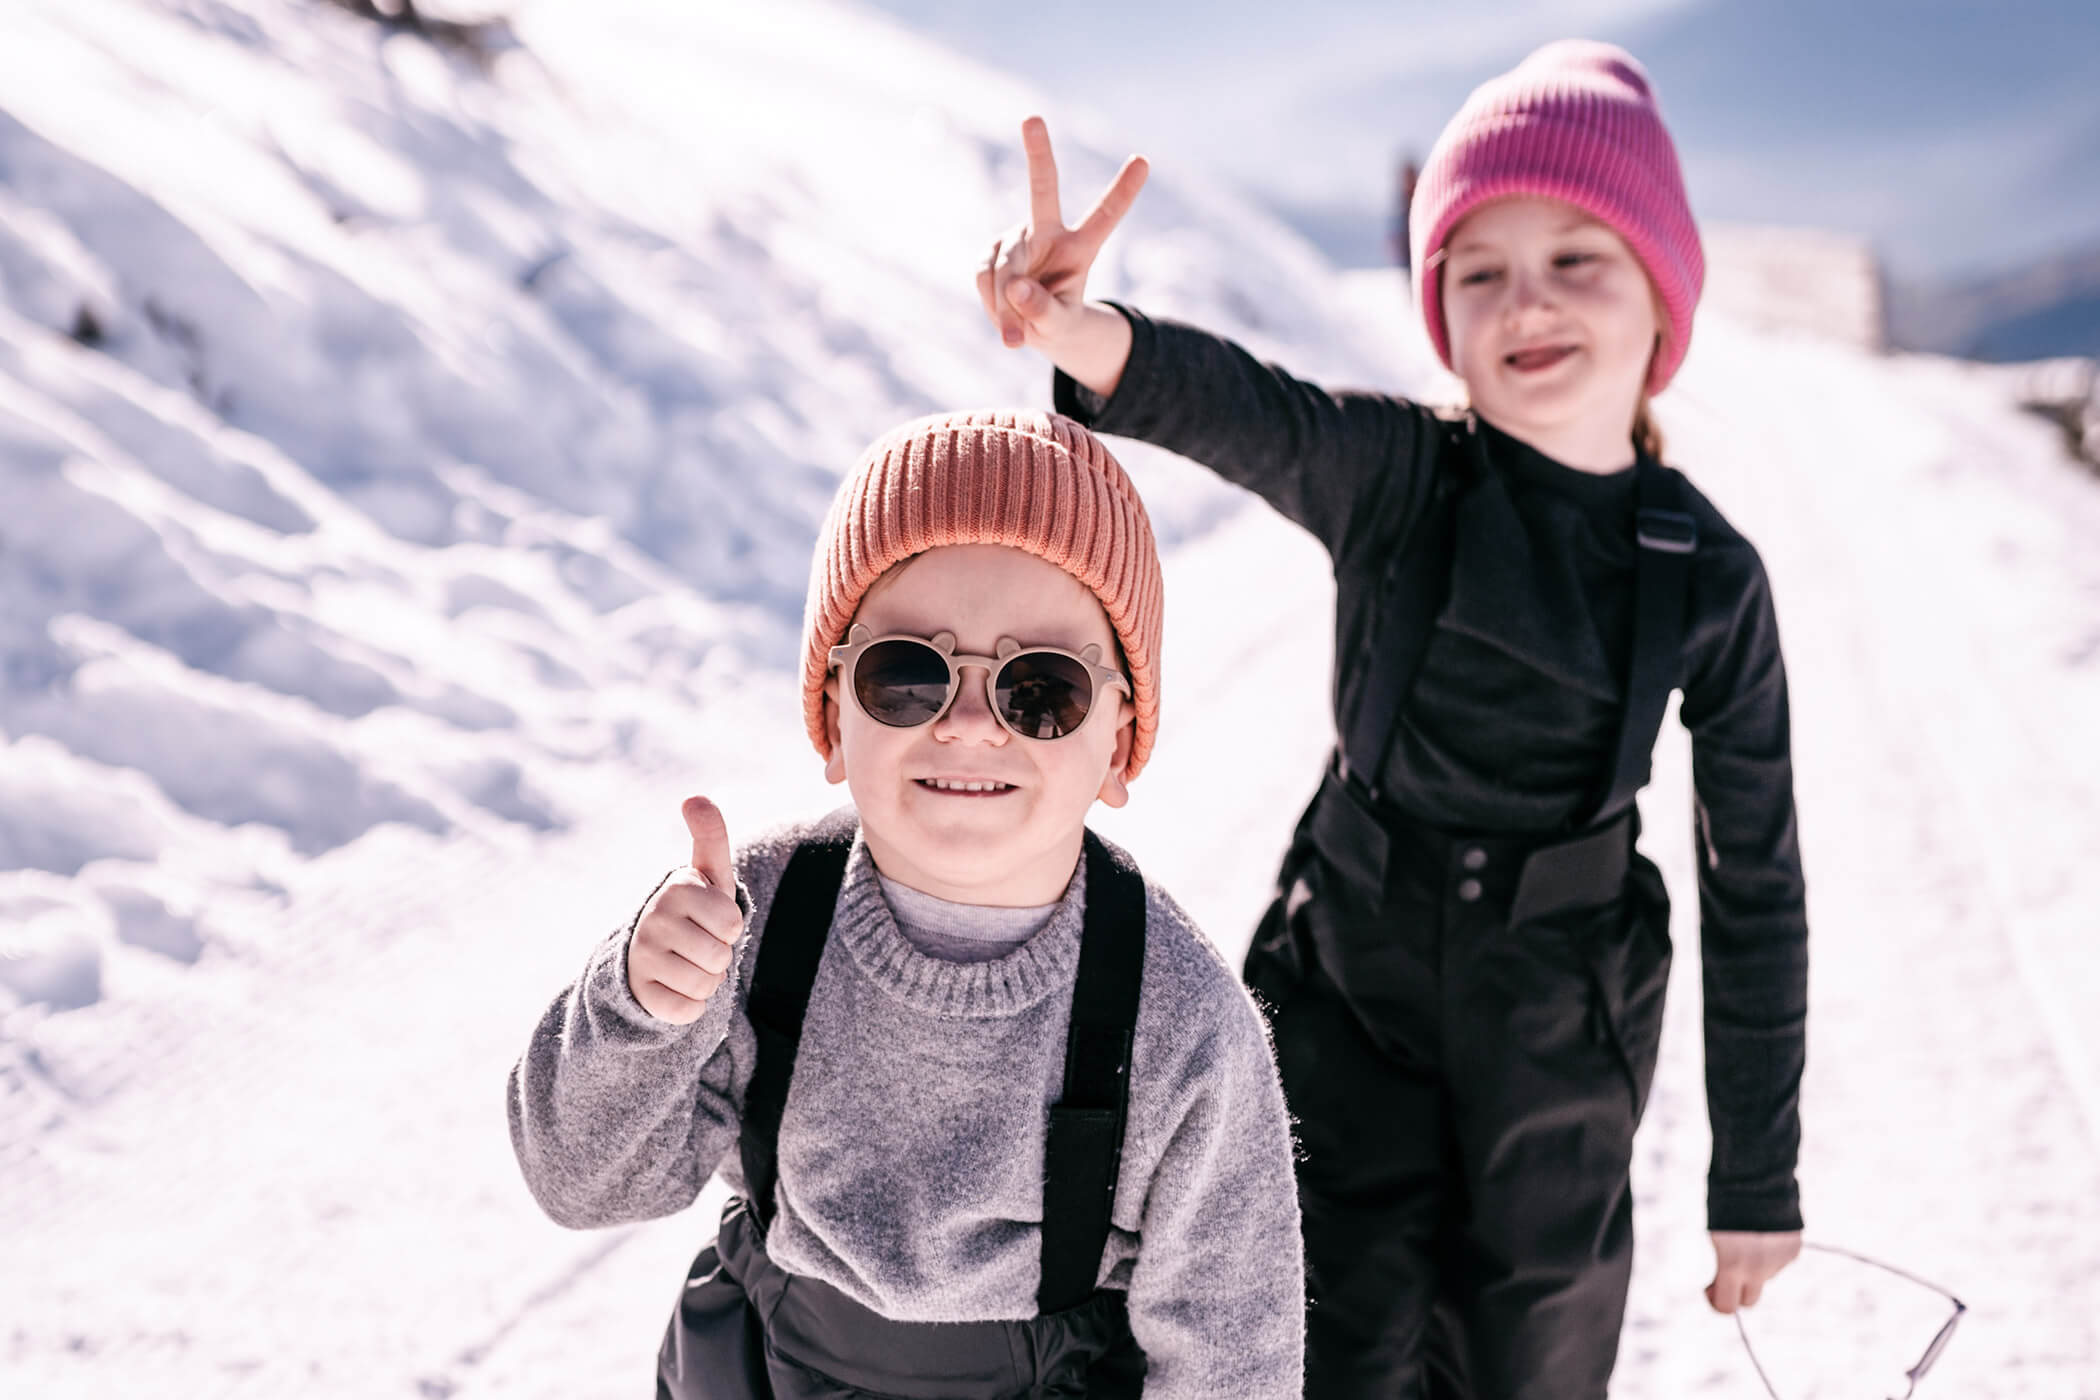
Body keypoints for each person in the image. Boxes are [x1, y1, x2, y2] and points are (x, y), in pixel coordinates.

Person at [975, 40, 1809, 1400]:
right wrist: (1084, 334)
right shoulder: (1398, 473)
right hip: (1348, 988)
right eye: (1481, 270)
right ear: (1442, 310)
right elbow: (1256, 411)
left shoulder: (1706, 574)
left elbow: (1756, 877)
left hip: (1561, 1017)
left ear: (1664, 293)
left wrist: (1755, 1173)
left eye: (1576, 259)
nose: (1525, 300)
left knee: (1532, 1353)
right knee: (1309, 1340)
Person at [507, 410, 1304, 1398]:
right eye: (907, 675)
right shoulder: (753, 918)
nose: (969, 723)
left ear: (1120, 740)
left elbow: (1233, 1343)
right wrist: (641, 1006)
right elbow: (582, 1180)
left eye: (1040, 690)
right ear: (834, 718)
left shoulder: (1175, 1013)